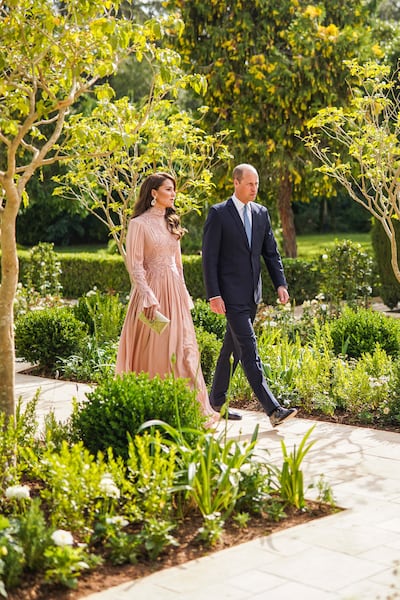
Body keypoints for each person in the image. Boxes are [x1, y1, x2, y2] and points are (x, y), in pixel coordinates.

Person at [116, 172, 218, 424]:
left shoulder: (173, 221)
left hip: (174, 294)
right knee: (158, 351)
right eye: (168, 189)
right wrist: (148, 296)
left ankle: (191, 408)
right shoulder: (138, 224)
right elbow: (135, 265)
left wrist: (184, 294)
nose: (173, 194)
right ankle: (155, 406)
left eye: (174, 190)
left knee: (185, 350)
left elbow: (178, 264)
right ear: (154, 193)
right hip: (153, 295)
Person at [202, 163, 298, 426]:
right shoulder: (219, 214)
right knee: (248, 347)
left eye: (256, 184)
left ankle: (217, 401)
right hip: (229, 296)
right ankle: (273, 409)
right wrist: (214, 295)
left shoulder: (261, 213)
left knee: (230, 348)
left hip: (252, 295)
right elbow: (209, 259)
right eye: (249, 183)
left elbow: (271, 252)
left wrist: (280, 283)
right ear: (236, 183)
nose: (254, 188)